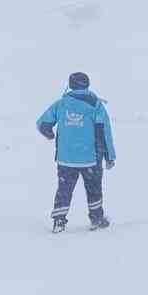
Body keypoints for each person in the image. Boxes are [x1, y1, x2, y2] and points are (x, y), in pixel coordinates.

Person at [37, 71, 116, 232]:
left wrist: (50, 134)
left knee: (64, 190)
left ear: (70, 85)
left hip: (66, 159)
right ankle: (96, 219)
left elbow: (42, 123)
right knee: (94, 189)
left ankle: (59, 220)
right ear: (87, 85)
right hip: (90, 159)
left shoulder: (61, 104)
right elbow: (104, 132)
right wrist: (109, 156)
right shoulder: (96, 105)